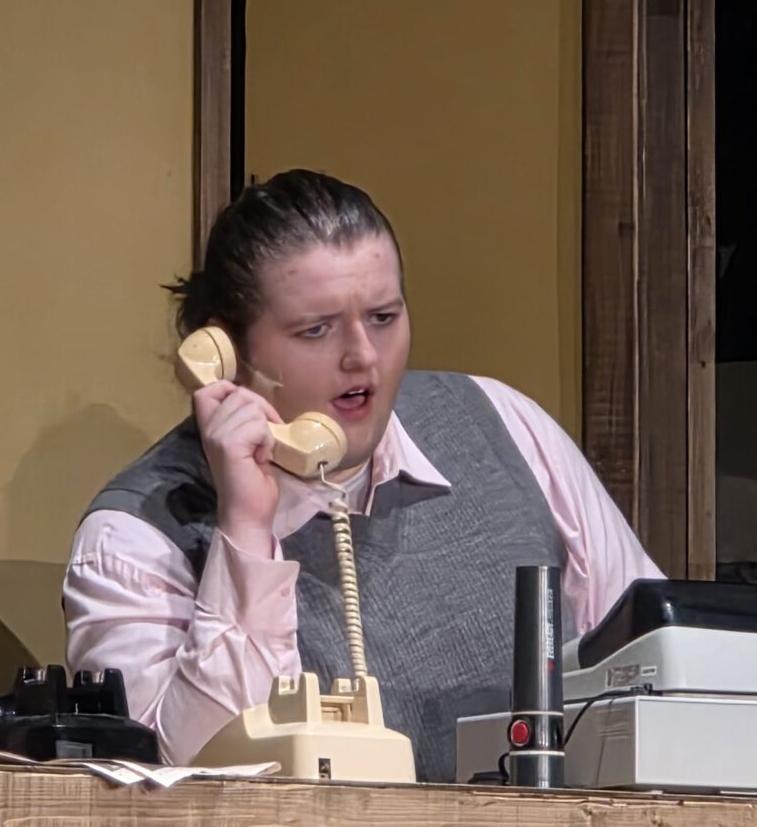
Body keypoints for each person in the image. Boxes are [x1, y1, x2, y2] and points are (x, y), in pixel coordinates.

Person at [65, 170, 660, 779]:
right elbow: (185, 791)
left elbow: (662, 667)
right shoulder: (134, 538)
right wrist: (244, 531)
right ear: (224, 352)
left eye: (382, 317)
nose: (362, 356)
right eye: (316, 330)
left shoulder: (502, 426)